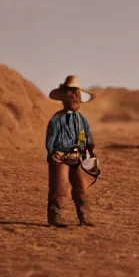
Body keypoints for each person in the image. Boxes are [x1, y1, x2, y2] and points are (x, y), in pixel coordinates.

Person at [45, 75, 98, 227]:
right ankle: (55, 217)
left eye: (76, 95)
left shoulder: (81, 119)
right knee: (59, 186)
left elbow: (87, 138)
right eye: (71, 95)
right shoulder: (57, 119)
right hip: (60, 156)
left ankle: (84, 216)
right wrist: (53, 153)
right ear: (64, 97)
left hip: (77, 156)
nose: (74, 98)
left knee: (79, 186)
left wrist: (86, 154)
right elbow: (51, 139)